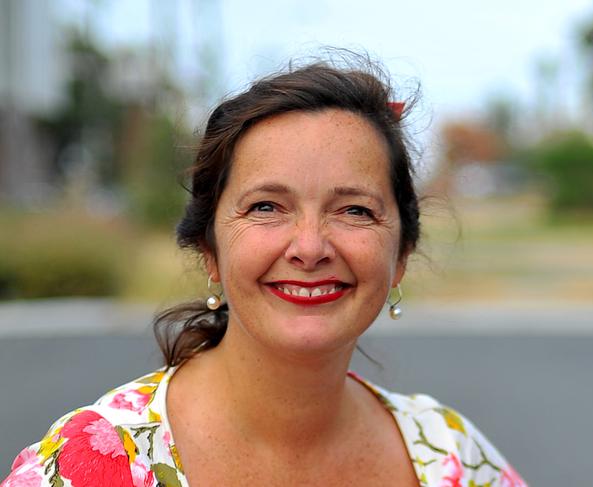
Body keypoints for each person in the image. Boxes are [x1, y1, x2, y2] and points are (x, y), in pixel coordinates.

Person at [2, 60, 527, 487]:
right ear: (209, 249)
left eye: (355, 211)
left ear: (401, 256)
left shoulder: (449, 459)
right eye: (266, 207)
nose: (310, 247)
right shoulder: (89, 465)